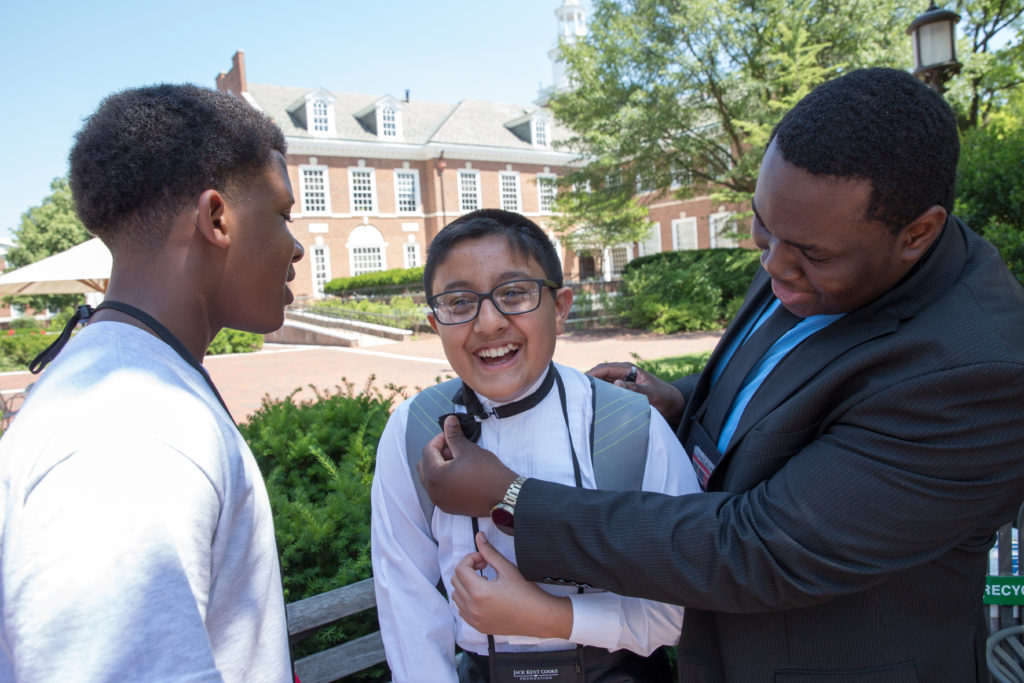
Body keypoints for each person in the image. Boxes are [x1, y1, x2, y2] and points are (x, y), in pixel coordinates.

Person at [420, 68, 1024, 681]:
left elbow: (758, 549)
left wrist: (512, 496)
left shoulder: (978, 375)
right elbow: (782, 386)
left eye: (811, 255)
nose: (775, 267)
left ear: (917, 234)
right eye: (763, 227)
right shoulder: (811, 240)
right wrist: (677, 402)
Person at [0, 84, 303, 681]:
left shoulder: (128, 388)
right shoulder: (131, 434)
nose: (295, 247)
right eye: (283, 214)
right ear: (217, 218)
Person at [370, 209, 700, 682]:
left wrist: (548, 614)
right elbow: (407, 604)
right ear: (434, 322)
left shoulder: (628, 427)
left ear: (561, 306)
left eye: (514, 293)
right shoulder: (413, 428)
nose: (487, 323)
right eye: (459, 302)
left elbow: (681, 609)